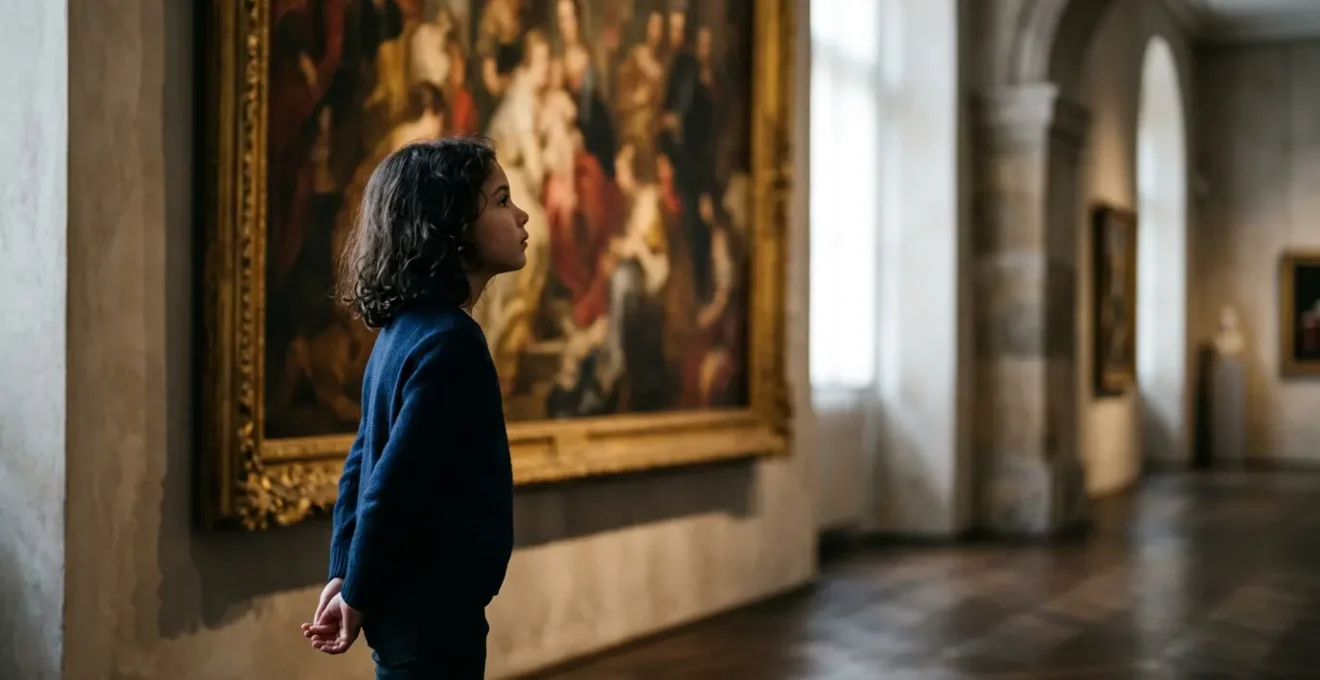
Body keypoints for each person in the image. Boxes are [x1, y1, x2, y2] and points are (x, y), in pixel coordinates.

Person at [299, 136, 529, 679]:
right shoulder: (451, 340)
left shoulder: (401, 333)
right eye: (500, 200)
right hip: (435, 615)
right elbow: (393, 484)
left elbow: (361, 467)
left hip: (408, 614)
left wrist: (344, 574)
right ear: (450, 226)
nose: (521, 215)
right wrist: (354, 592)